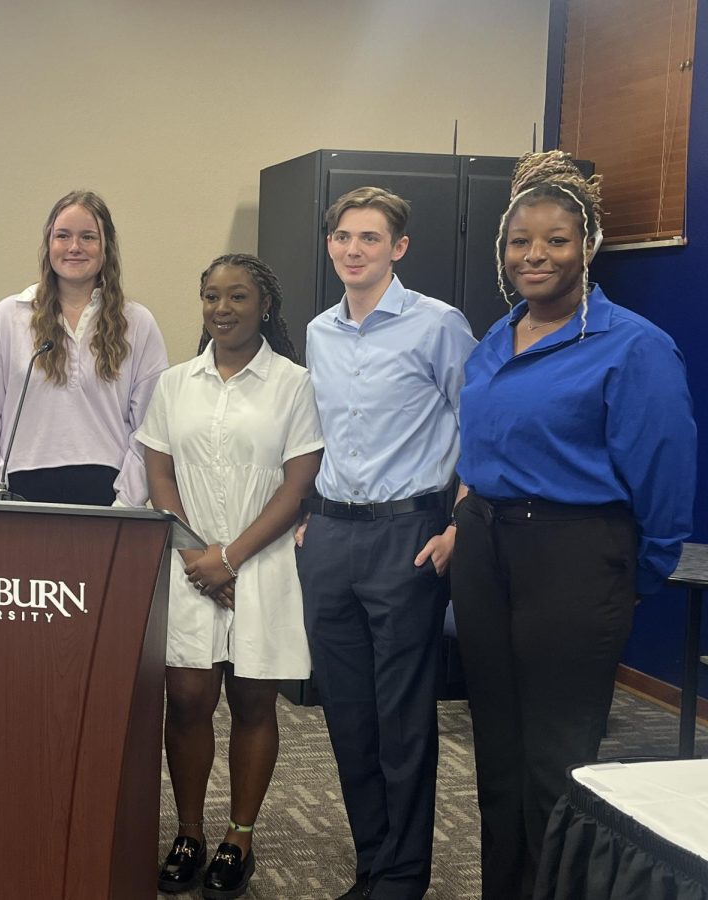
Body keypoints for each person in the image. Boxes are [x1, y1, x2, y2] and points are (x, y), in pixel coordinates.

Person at [449, 151, 697, 900]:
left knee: (555, 759)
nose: (536, 255)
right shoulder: (495, 341)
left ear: (587, 247)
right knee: (497, 748)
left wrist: (630, 577)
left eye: (557, 239)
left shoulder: (633, 346)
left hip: (575, 556)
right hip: (487, 550)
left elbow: (664, 480)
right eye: (521, 241)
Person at [296, 187, 476, 900]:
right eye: (342, 237)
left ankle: (403, 878)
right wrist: (311, 514)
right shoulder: (319, 331)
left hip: (410, 535)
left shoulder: (440, 325)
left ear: (398, 248)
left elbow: (479, 425)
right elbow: (322, 434)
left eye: (369, 238)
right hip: (333, 536)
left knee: (402, 719)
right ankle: (371, 863)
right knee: (347, 715)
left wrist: (458, 524)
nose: (353, 250)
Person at [139, 254, 323, 899]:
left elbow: (298, 486)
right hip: (187, 566)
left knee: (252, 702)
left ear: (264, 306)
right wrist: (200, 555)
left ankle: (238, 836)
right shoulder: (174, 384)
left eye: (238, 296)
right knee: (187, 700)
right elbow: (158, 474)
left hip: (262, 564)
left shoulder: (293, 384)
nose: (223, 308)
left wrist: (233, 556)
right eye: (212, 296)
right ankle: (189, 832)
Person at [0, 190, 167, 506]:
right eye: (63, 236)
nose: (74, 247)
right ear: (49, 245)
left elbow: (150, 427)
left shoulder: (137, 323)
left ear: (106, 248)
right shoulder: (8, 317)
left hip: (107, 499)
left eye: (88, 237)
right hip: (19, 498)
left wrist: (125, 505)